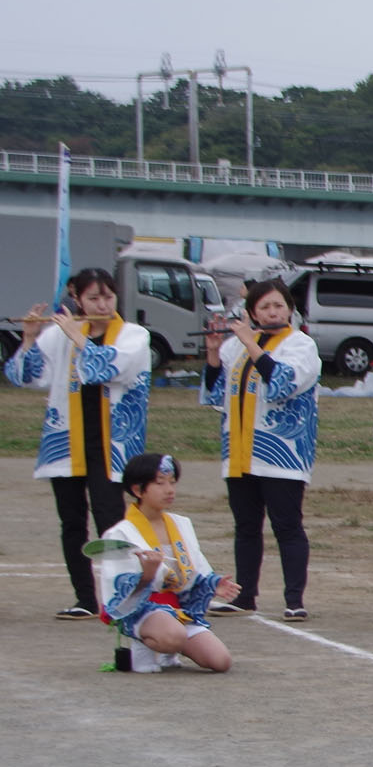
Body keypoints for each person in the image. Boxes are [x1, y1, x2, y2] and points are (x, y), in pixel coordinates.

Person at [7, 267, 153, 619]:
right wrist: (28, 339)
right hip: (67, 443)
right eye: (93, 298)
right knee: (71, 522)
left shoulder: (134, 335)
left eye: (107, 296)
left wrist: (79, 338)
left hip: (113, 446)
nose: (102, 304)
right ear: (77, 300)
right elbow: (22, 377)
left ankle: (120, 597)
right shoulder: (60, 335)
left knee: (112, 521)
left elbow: (107, 369)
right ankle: (85, 598)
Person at [200, 276, 321, 620]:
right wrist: (212, 353)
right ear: (252, 312)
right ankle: (244, 595)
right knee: (246, 527)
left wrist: (253, 346)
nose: (272, 312)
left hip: (282, 453)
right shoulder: (234, 346)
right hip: (239, 450)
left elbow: (283, 383)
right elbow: (213, 395)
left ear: (289, 309)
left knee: (287, 526)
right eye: (264, 307)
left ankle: (294, 598)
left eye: (278, 305)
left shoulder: (300, 345)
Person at [93, 452, 239, 672]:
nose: (169, 490)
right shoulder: (120, 533)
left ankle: (169, 644)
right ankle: (145, 642)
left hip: (177, 607)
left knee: (220, 661)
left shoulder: (181, 524)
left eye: (172, 483)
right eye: (160, 483)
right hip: (141, 610)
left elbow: (196, 568)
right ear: (137, 490)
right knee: (174, 635)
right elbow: (116, 591)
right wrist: (147, 575)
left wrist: (212, 583)